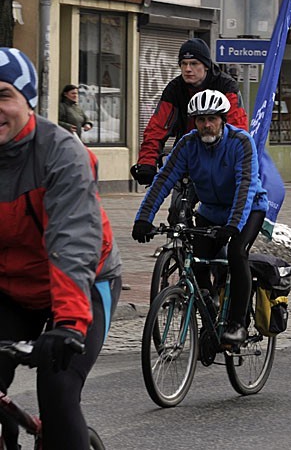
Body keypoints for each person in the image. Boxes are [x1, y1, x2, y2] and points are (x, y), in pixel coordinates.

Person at [0, 47, 122, 450]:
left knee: (57, 389)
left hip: (80, 285)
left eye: (3, 95)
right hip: (10, 288)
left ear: (28, 102)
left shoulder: (61, 154)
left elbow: (72, 243)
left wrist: (69, 322)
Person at [132, 89, 268, 344]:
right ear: (194, 122)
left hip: (249, 210)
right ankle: (210, 306)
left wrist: (233, 225)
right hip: (210, 210)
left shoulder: (241, 142)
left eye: (212, 119)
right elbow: (163, 180)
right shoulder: (188, 144)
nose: (206, 125)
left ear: (222, 119)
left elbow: (246, 186)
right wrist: (143, 218)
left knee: (237, 253)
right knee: (197, 259)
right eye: (200, 119)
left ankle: (238, 323)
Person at [131, 38, 248, 185]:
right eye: (183, 64)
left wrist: (236, 160)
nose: (187, 69)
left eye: (194, 63)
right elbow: (157, 128)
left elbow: (237, 127)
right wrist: (147, 162)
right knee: (177, 204)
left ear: (206, 66)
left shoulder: (226, 86)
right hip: (188, 152)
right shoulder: (174, 89)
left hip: (221, 155)